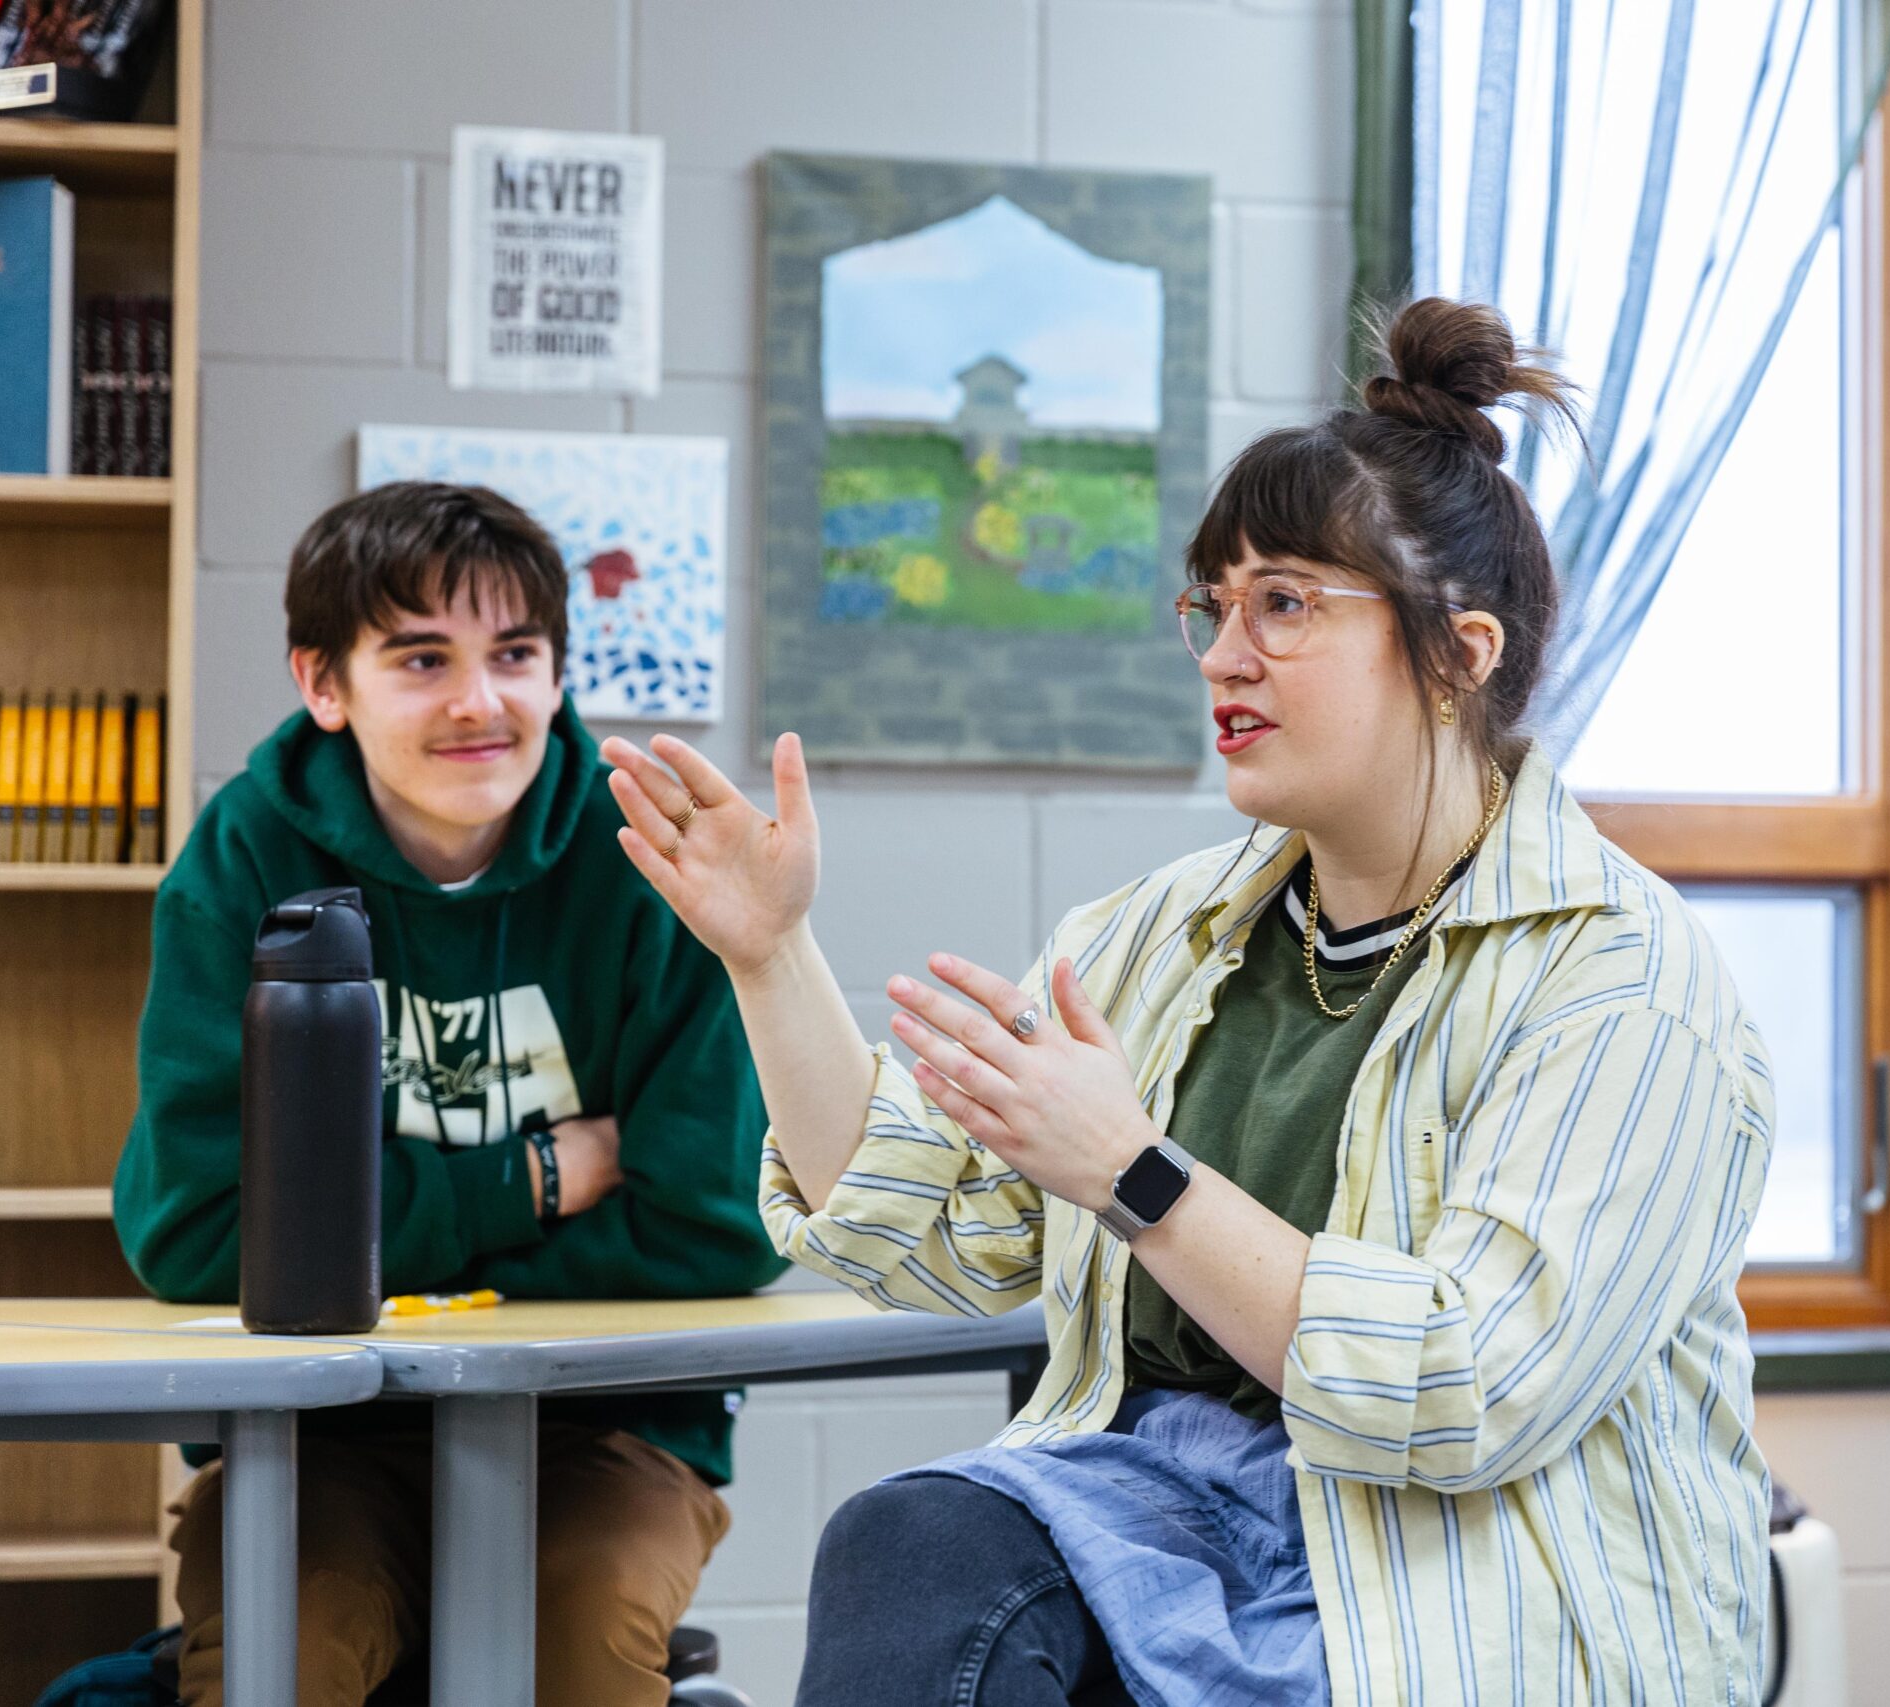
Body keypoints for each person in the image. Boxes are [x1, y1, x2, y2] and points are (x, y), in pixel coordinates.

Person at [604, 298, 1779, 1706]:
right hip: (1170, 1513)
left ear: (1461, 653)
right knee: (912, 1542)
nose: (1223, 654)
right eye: (1211, 604)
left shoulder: (1626, 985)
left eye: (1284, 602)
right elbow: (927, 1226)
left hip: (1464, 1578)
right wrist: (769, 954)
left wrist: (1133, 1170)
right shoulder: (1161, 933)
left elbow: (1466, 1386)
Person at [114, 482, 786, 1706]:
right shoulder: (242, 859)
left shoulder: (654, 856)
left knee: (573, 1642)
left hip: (609, 1429)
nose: (481, 703)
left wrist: (359, 1252)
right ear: (324, 684)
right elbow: (197, 1237)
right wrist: (543, 1175)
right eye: (422, 659)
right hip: (313, 1436)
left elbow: (717, 1228)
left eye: (515, 656)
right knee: (284, 1651)